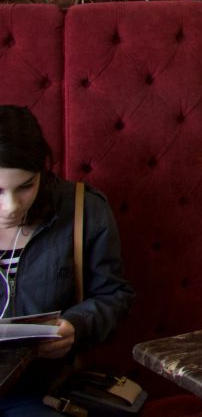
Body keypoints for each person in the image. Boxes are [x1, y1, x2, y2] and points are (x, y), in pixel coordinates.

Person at [0, 105, 134, 415]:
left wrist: (76, 325)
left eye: (25, 186)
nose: (10, 206)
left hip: (39, 390)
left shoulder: (83, 209)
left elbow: (116, 297)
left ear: (42, 171)